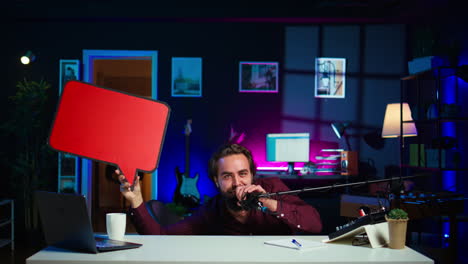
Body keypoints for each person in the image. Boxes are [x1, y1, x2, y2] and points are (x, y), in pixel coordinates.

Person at [118, 144, 322, 235]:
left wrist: (268, 202)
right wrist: (136, 199)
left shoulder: (272, 187)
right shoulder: (209, 212)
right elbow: (161, 237)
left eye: (243, 174)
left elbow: (315, 224)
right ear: (216, 181)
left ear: (252, 175)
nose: (237, 183)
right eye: (227, 176)